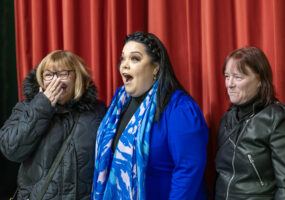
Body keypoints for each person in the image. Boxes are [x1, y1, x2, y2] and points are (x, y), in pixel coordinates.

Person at [92, 31, 209, 200]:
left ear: (156, 68)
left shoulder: (179, 109)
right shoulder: (119, 103)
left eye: (134, 59)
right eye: (122, 59)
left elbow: (188, 170)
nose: (124, 65)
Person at [0, 50, 107, 199]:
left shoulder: (98, 111)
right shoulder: (25, 108)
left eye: (63, 74)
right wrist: (42, 106)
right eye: (48, 75)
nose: (55, 81)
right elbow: (12, 149)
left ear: (78, 77)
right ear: (41, 80)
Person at [215, 46, 285, 200]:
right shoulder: (226, 119)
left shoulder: (279, 119)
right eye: (227, 76)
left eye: (238, 77)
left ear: (260, 80)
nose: (229, 84)